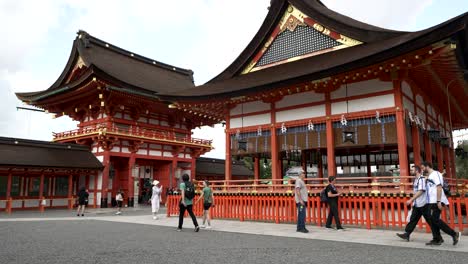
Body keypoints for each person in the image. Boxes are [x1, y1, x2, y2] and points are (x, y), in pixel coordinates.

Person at [421, 161, 460, 246]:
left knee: (435, 219)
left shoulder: (436, 174)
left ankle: (453, 234)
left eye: (423, 168)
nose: (422, 170)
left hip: (437, 200)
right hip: (431, 201)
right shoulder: (430, 176)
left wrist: (439, 201)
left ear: (427, 166)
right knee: (431, 219)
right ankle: (437, 238)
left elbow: (439, 187)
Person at [396, 165, 432, 241]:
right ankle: (407, 234)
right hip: (417, 204)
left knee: (430, 221)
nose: (411, 171)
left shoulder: (421, 179)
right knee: (413, 219)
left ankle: (440, 235)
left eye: (412, 170)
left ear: (416, 171)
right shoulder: (415, 180)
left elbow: (421, 191)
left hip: (423, 204)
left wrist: (411, 200)